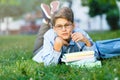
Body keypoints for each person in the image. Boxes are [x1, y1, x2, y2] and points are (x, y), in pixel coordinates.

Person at [33, 7, 98, 65]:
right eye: (59, 26)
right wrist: (57, 47)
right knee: (37, 48)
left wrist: (87, 42)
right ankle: (46, 20)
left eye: (67, 25)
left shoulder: (80, 33)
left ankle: (53, 16)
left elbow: (95, 57)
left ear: (73, 26)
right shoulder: (49, 35)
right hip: (41, 51)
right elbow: (49, 65)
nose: (64, 29)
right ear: (54, 29)